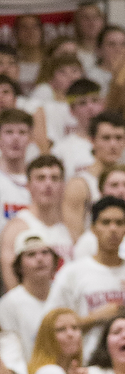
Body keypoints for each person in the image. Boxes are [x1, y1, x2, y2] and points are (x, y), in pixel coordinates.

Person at [47, 196, 125, 359]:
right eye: (106, 222)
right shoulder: (72, 273)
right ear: (93, 228)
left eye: (119, 223)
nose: (113, 229)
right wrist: (94, 318)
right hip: (86, 362)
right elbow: (51, 326)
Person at [0, 153, 73, 291]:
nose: (48, 184)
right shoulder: (17, 227)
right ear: (28, 185)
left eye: (54, 178)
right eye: (41, 178)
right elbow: (11, 284)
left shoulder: (70, 227)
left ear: (63, 185)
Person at [61, 114, 125, 241]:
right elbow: (74, 235)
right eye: (106, 138)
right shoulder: (80, 184)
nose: (113, 144)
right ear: (92, 141)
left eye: (118, 138)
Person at [0, 228, 63, 361]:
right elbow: (10, 353)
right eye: (31, 254)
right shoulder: (8, 304)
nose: (39, 259)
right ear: (19, 266)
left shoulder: (64, 294)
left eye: (45, 252)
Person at [0, 109, 33, 221]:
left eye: (22, 132)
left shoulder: (40, 179)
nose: (16, 138)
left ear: (31, 137)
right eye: (9, 132)